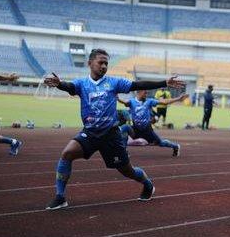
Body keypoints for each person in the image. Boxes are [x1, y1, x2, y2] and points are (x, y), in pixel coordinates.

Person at [43, 48, 185, 210]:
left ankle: (147, 184)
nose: (104, 66)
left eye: (106, 63)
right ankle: (60, 197)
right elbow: (69, 87)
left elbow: (137, 85)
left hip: (111, 136)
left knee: (128, 171)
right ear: (90, 63)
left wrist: (164, 83)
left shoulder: (114, 83)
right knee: (67, 153)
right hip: (90, 133)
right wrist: (60, 84)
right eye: (100, 62)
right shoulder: (81, 84)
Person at [118, 90, 186, 157]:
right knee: (125, 127)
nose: (146, 93)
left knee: (161, 143)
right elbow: (125, 102)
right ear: (139, 92)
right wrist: (117, 98)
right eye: (145, 92)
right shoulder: (132, 101)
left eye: (147, 92)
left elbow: (164, 102)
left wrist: (178, 98)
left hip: (147, 130)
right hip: (136, 130)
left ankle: (175, 146)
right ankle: (123, 152)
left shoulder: (149, 101)